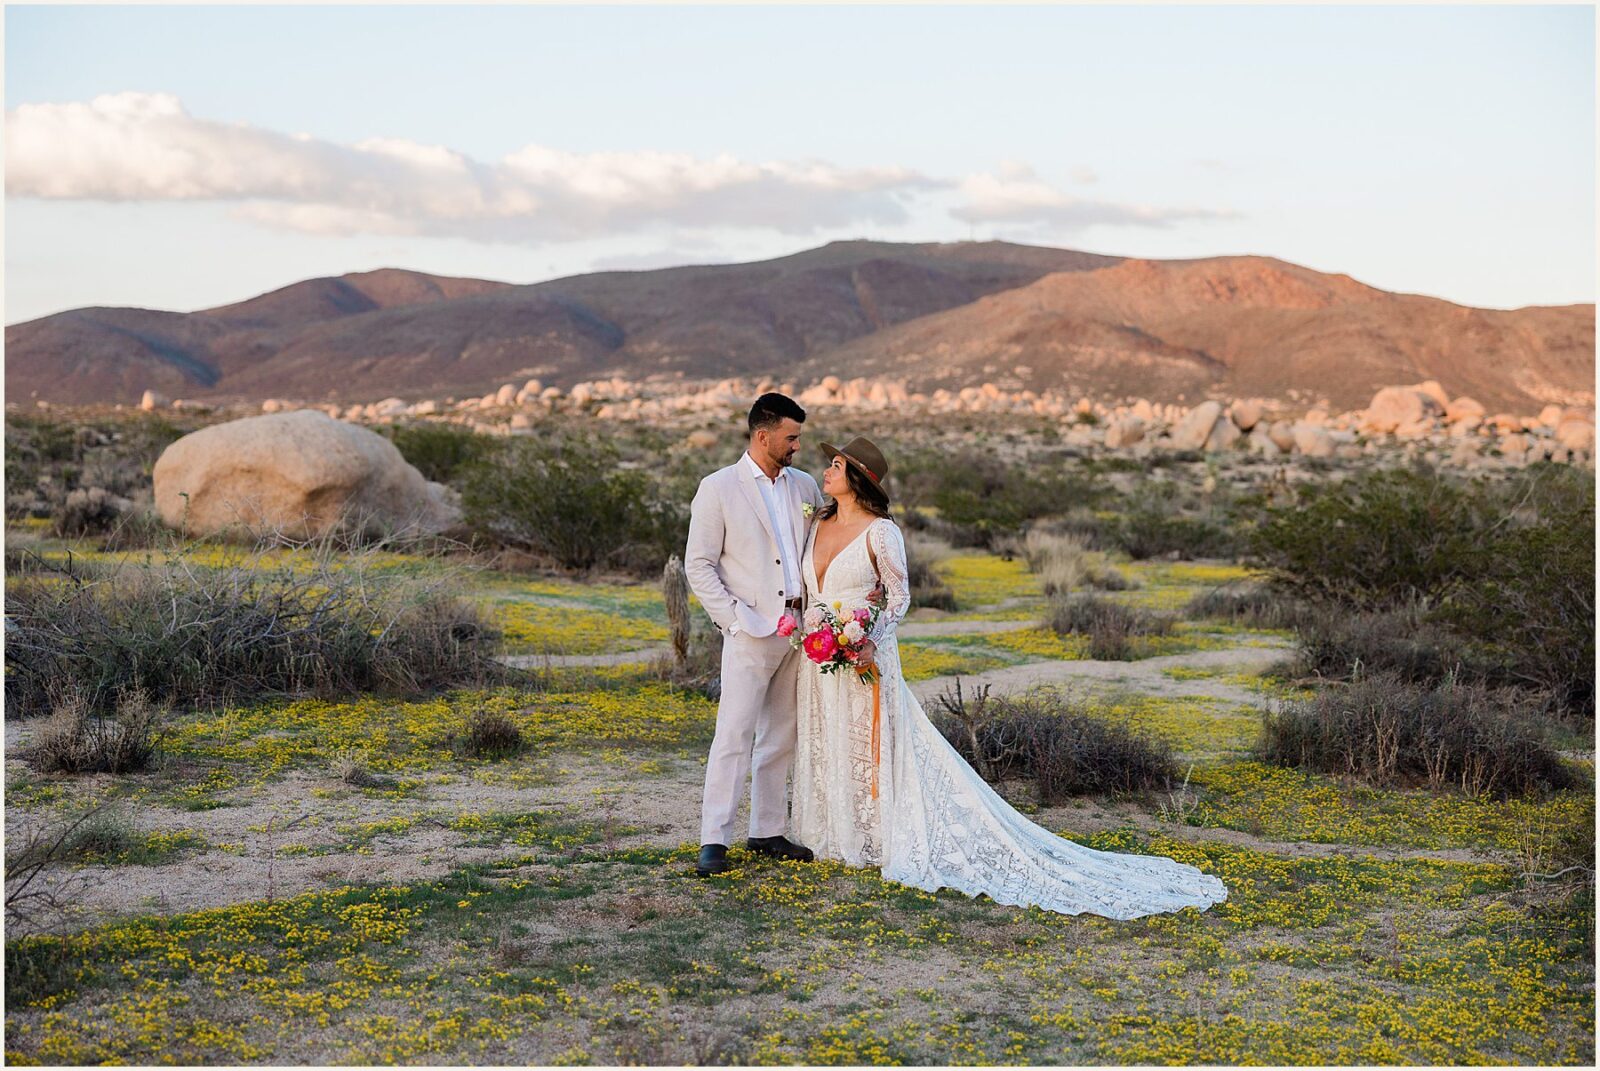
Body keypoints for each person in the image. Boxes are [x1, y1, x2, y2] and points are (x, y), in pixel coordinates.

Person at [790, 436, 1228, 919]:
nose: (825, 470)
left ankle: (875, 836)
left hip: (866, 653)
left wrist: (868, 635)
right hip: (818, 652)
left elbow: (898, 598)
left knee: (873, 740)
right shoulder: (817, 523)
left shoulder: (881, 533)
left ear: (857, 479)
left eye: (835, 464)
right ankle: (835, 831)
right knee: (827, 734)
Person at [683, 392, 825, 878]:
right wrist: (735, 621)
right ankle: (713, 840)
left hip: (799, 631)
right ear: (762, 436)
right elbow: (698, 565)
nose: (797, 446)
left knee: (781, 734)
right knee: (733, 735)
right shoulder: (718, 488)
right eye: (791, 437)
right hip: (749, 630)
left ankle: (767, 829)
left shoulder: (805, 488)